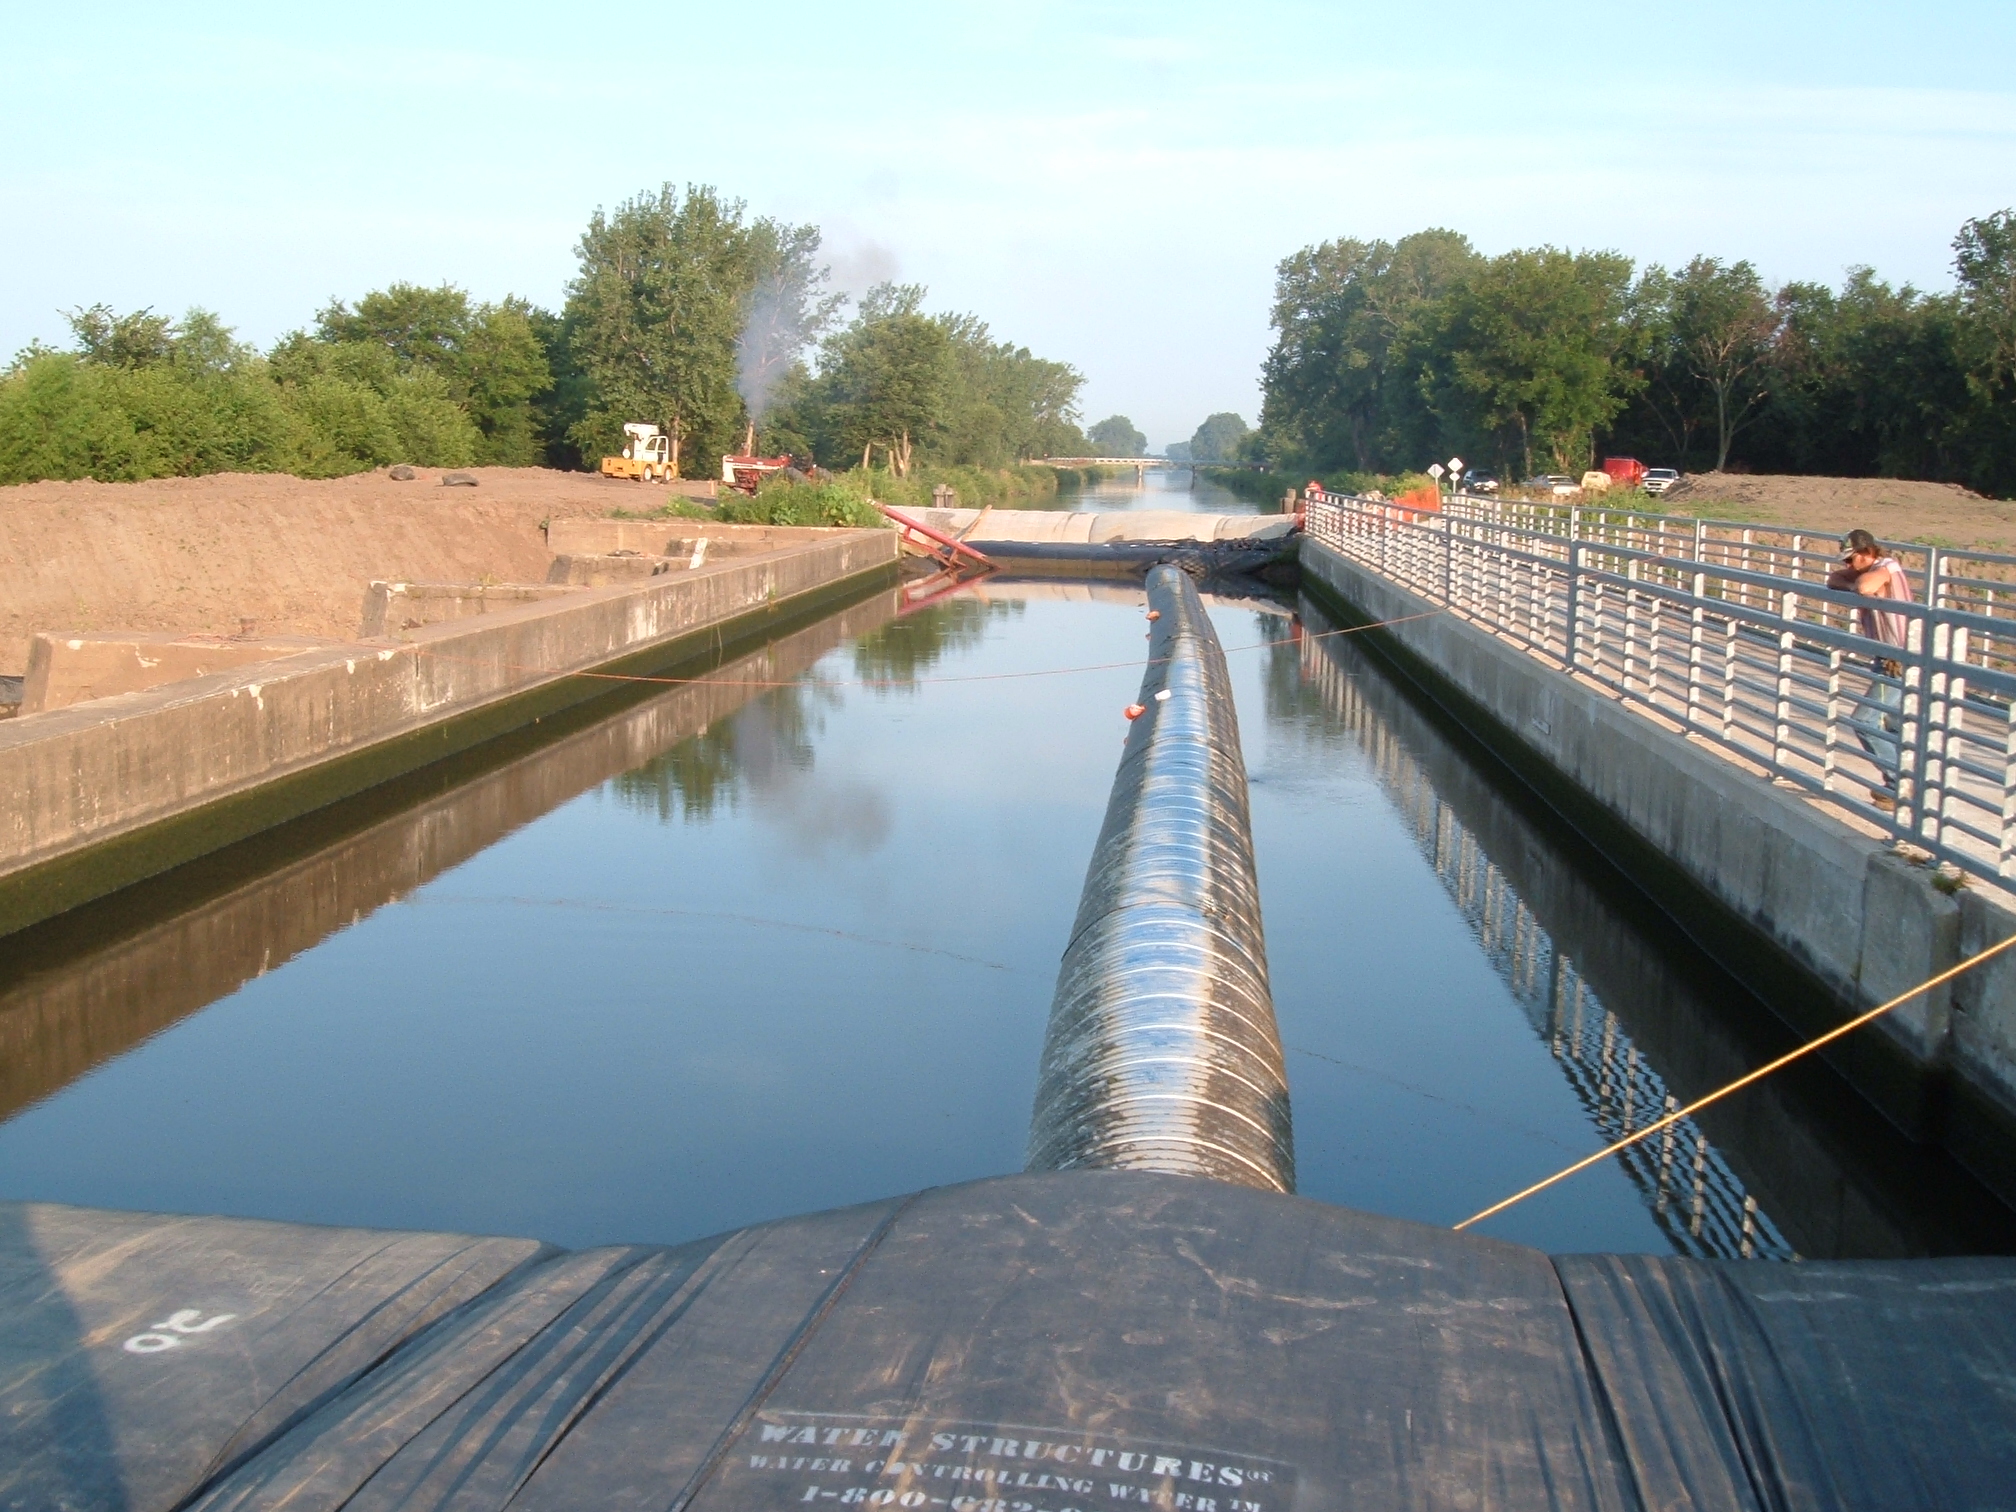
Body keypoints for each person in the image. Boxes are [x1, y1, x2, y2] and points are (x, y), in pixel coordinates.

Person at [1825, 528, 1915, 810]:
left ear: (1868, 553)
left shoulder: (1888, 566)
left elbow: (1866, 587)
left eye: (1852, 560)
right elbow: (1833, 580)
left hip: (1898, 660)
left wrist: (1857, 583)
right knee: (1894, 725)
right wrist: (1854, 580)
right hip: (1889, 657)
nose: (1847, 567)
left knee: (1864, 720)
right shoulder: (1866, 569)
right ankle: (1906, 784)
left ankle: (1897, 783)